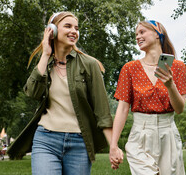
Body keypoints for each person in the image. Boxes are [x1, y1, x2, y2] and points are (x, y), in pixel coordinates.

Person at [7, 11, 122, 174]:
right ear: (52, 30)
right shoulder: (44, 64)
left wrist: (113, 146)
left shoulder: (89, 64)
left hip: (79, 143)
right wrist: (46, 54)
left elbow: (102, 112)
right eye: (67, 26)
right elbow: (32, 92)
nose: (74, 31)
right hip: (45, 139)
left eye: (76, 27)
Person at [109, 20, 186, 174]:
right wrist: (113, 146)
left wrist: (170, 85)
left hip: (168, 134)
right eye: (136, 34)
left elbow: (179, 109)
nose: (138, 37)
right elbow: (122, 109)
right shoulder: (130, 69)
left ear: (157, 33)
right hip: (140, 134)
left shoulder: (178, 67)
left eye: (142, 32)